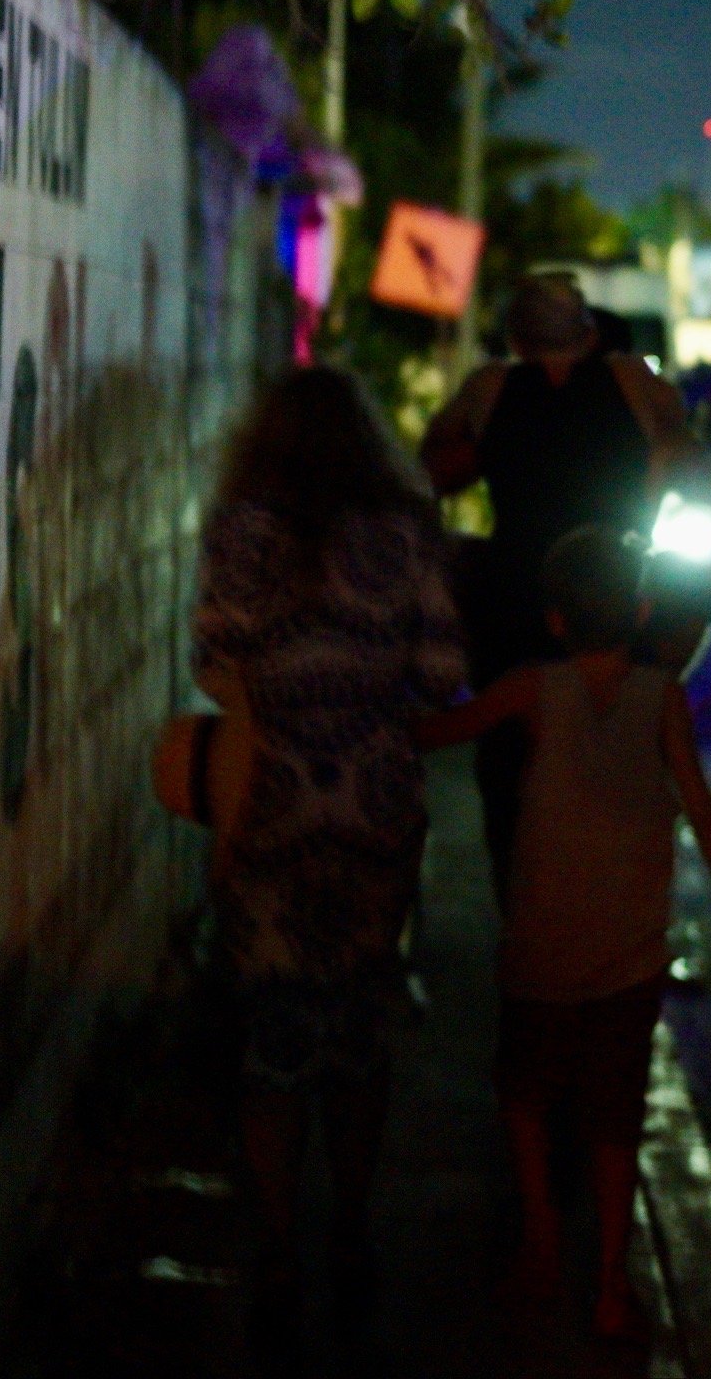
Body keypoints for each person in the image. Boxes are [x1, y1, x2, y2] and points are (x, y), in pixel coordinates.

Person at [416, 527, 711, 1339]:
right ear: (639, 610)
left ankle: (538, 1240)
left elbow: (444, 731)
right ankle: (607, 1285)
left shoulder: (532, 687)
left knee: (526, 1088)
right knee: (615, 1110)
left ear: (555, 619)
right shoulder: (662, 695)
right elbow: (702, 808)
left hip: (544, 936)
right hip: (630, 944)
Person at [193, 366, 465, 1352]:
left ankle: (277, 1244)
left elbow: (215, 669)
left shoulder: (241, 533)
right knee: (358, 1023)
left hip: (268, 809)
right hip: (376, 811)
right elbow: (440, 679)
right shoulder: (406, 532)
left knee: (272, 1036)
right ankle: (349, 1229)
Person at [421, 272, 697, 884]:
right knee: (622, 764)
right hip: (616, 598)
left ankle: (524, 921)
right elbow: (688, 461)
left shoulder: (491, 390)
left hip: (519, 606)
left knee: (510, 771)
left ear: (517, 340)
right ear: (589, 332)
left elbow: (430, 469)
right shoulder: (633, 383)